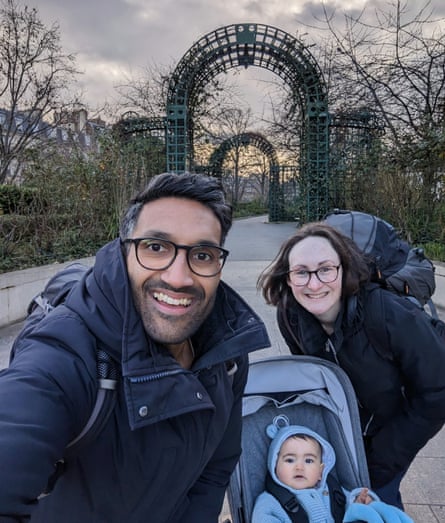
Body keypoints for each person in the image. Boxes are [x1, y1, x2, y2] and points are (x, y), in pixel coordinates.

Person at [0, 172, 270, 523]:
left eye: (202, 254)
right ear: (124, 250)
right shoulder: (65, 357)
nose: (178, 277)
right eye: (156, 248)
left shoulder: (228, 354)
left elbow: (214, 471)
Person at [258, 222, 445, 510]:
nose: (314, 284)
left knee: (378, 497)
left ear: (343, 269)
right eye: (302, 272)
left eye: (325, 269)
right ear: (288, 278)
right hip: (346, 427)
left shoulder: (388, 313)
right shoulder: (291, 315)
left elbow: (437, 392)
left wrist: (384, 459)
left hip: (396, 425)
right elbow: (313, 377)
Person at [252, 416, 413, 523]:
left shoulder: (333, 490)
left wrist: (359, 502)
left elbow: (350, 507)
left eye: (308, 460)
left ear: (321, 471)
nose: (299, 466)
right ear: (274, 465)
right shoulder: (269, 502)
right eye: (289, 459)